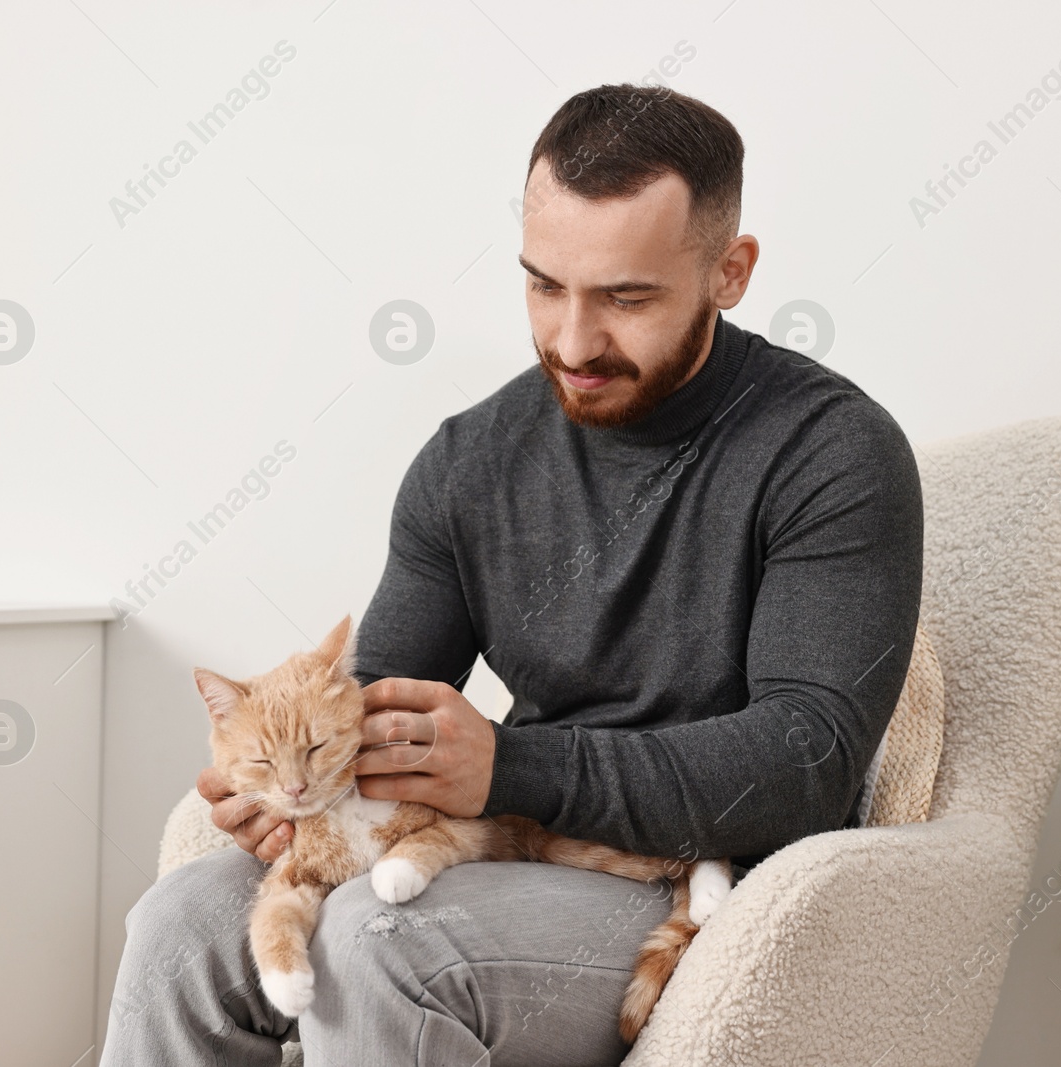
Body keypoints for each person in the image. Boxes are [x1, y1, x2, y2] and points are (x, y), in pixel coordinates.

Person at [100, 81, 923, 1067]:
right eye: (545, 285)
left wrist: (510, 765)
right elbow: (380, 694)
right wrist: (290, 775)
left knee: (381, 940)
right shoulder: (469, 460)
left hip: (684, 876)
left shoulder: (828, 451)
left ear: (729, 270)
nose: (573, 342)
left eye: (626, 297)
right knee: (178, 921)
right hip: (503, 842)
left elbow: (807, 758)